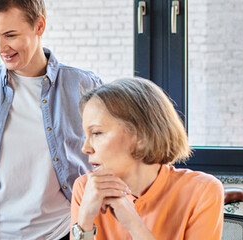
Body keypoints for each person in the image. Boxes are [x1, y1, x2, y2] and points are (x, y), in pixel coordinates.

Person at [0, 0, 103, 239]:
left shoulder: (84, 86)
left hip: (61, 232)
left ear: (39, 26)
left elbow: (107, 162)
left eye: (10, 35)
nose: (0, 47)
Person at [71, 78, 224, 240]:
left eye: (96, 133)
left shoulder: (202, 191)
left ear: (141, 135)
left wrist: (133, 223)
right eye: (86, 135)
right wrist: (85, 221)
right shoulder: (85, 188)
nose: (85, 148)